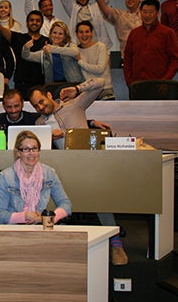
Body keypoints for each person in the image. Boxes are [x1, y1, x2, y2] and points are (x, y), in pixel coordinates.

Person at [28, 79, 127, 265]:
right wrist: (48, 136)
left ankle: (116, 244)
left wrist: (77, 89)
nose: (40, 107)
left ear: (50, 96)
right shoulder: (39, 123)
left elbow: (101, 83)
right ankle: (49, 247)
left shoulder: (75, 106)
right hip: (64, 168)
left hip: (90, 164)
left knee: (99, 195)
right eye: (35, 106)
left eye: (41, 101)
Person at [0, 130, 71, 225]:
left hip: (39, 225)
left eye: (35, 148)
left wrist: (47, 218)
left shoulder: (49, 173)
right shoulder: (5, 176)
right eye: (26, 149)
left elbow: (66, 204)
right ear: (18, 152)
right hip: (12, 228)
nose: (31, 153)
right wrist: (23, 216)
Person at [0, 0, 47, 97]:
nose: (34, 23)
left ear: (42, 23)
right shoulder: (18, 38)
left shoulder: (47, 41)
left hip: (41, 85)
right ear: (27, 22)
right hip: (22, 84)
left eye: (38, 20)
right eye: (31, 20)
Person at [123, 0, 178, 87]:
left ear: (157, 13)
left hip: (161, 85)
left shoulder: (167, 32)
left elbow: (175, 60)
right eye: (144, 11)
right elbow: (127, 59)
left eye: (151, 12)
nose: (147, 15)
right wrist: (130, 82)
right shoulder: (134, 33)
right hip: (137, 85)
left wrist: (165, 80)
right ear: (140, 12)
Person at [75, 21, 114, 100]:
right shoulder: (75, 50)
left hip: (104, 90)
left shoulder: (101, 47)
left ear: (92, 33)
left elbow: (100, 69)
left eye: (87, 32)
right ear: (76, 34)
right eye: (81, 32)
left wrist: (80, 62)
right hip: (86, 92)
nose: (84, 35)